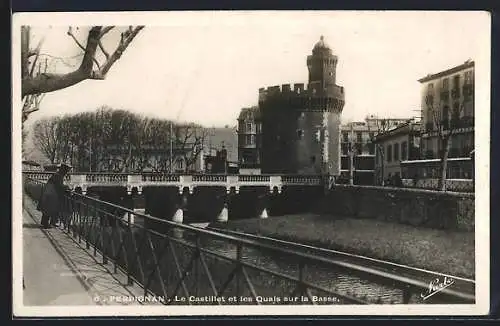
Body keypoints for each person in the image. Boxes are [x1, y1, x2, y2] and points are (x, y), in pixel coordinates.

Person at [37, 163, 72, 229]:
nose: (67, 172)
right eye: (67, 171)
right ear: (64, 170)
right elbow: (59, 186)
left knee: (47, 208)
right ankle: (46, 223)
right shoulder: (59, 176)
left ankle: (46, 222)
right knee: (49, 208)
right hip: (51, 194)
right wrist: (67, 187)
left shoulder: (57, 175)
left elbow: (58, 185)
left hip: (48, 192)